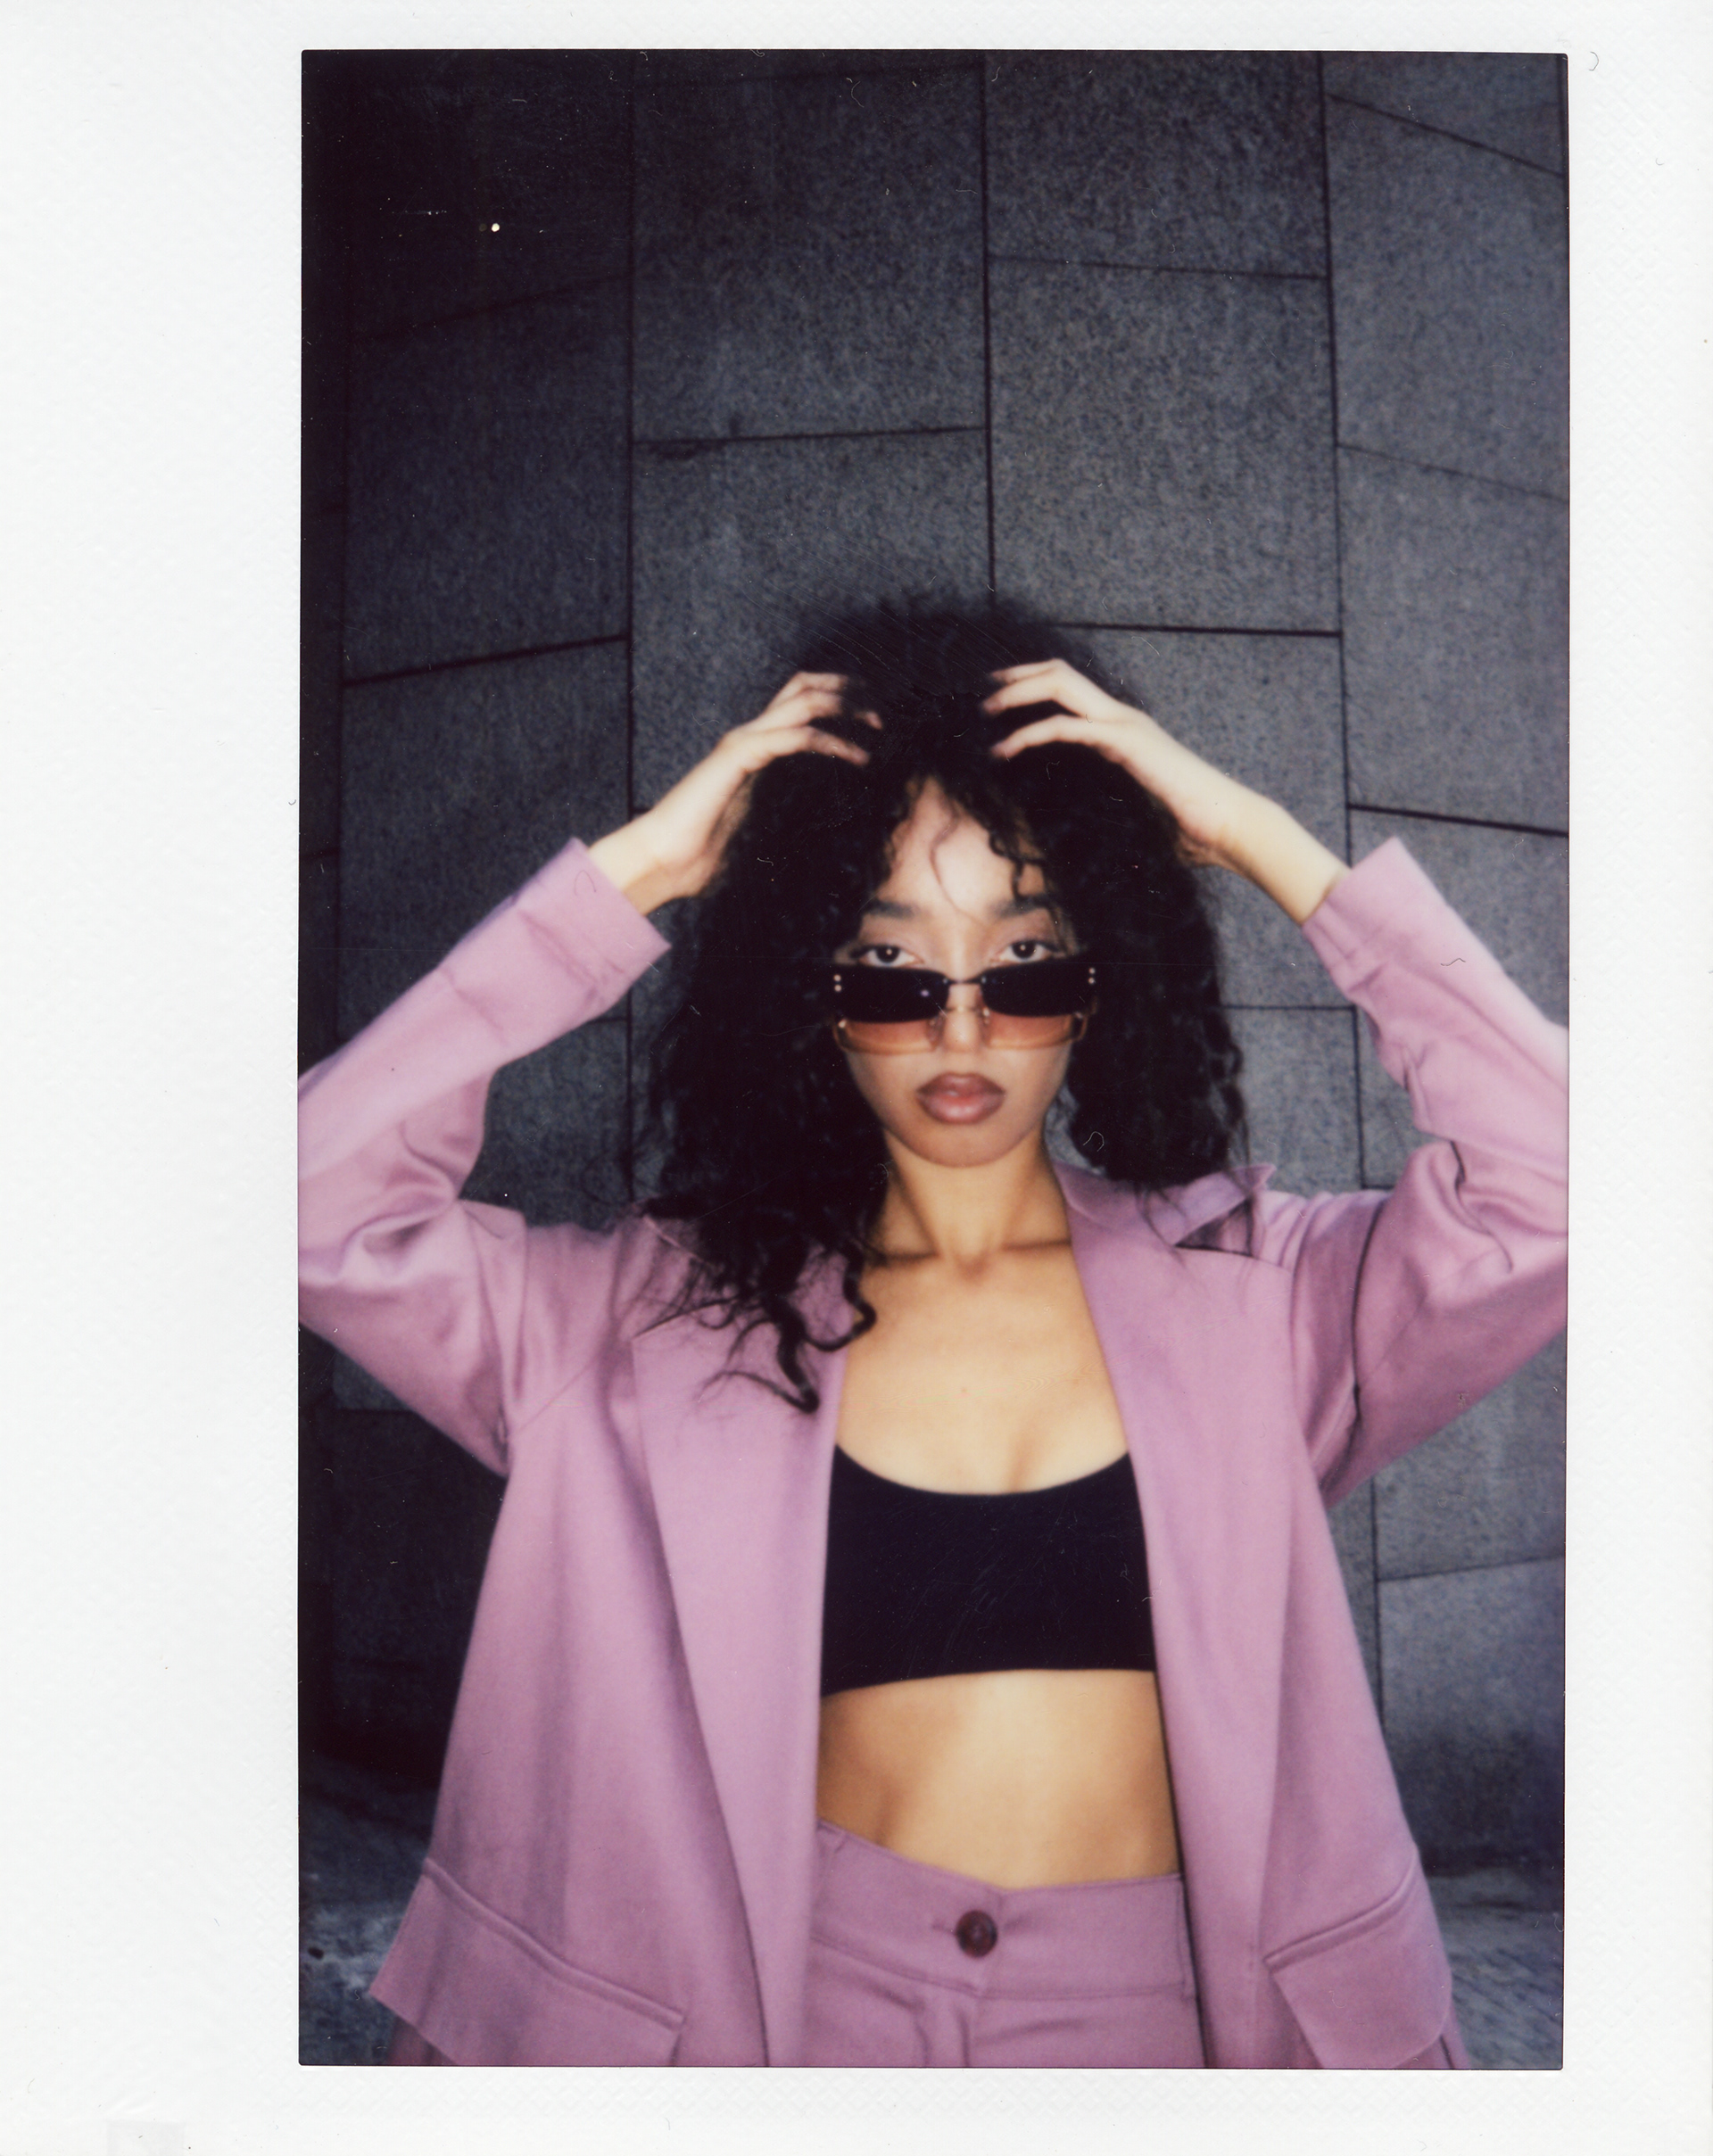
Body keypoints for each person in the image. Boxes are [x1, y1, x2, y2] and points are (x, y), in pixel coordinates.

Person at [297, 599, 1567, 2068]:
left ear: (1102, 978)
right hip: (791, 2016)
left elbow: (1560, 1178)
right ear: (814, 994)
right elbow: (318, 1201)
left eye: (1027, 964)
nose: (963, 1031)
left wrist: (1262, 842)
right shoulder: (631, 1317)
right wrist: (637, 872)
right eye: (892, 973)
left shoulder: (1263, 1287)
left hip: (1182, 2023)